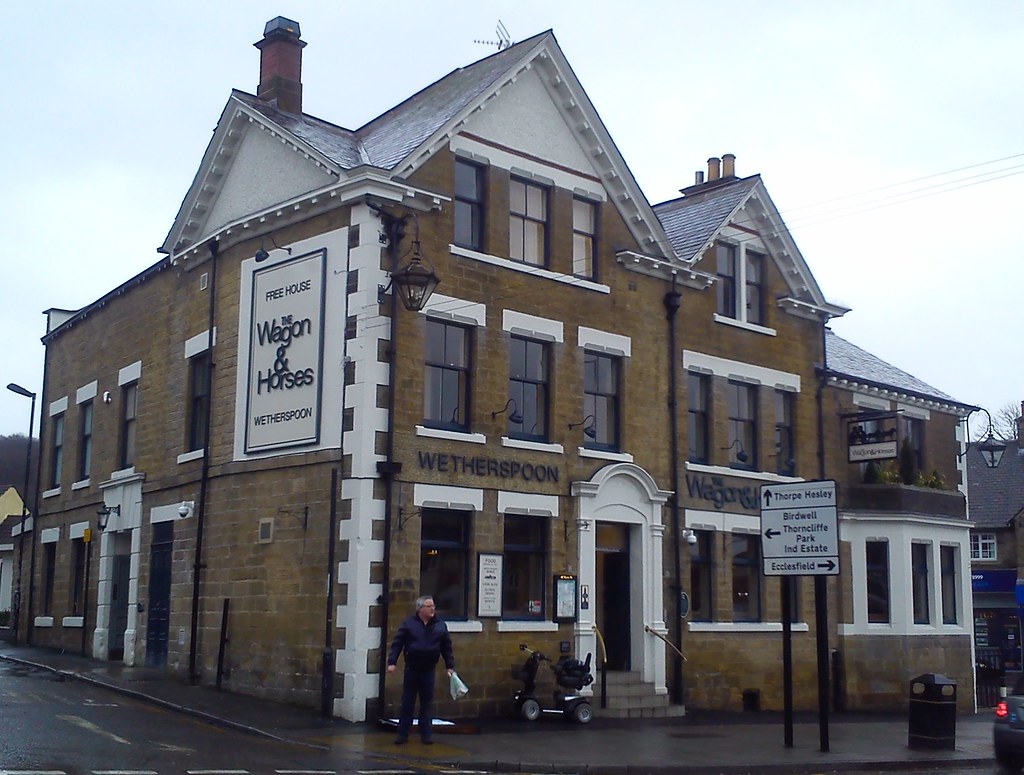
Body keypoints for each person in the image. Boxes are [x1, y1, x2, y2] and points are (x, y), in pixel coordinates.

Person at [387, 594, 455, 745]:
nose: (432, 609)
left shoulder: (440, 626)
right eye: (429, 606)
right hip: (412, 667)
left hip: (429, 668)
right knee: (408, 702)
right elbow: (398, 643)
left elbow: (447, 648)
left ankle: (426, 735)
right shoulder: (409, 624)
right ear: (420, 609)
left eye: (433, 606)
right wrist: (392, 662)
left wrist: (450, 666)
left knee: (427, 703)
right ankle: (403, 734)